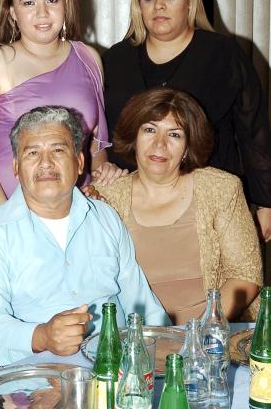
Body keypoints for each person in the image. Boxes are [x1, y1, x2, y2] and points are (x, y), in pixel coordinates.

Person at [0, 106, 169, 367]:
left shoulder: (105, 218)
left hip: (117, 373)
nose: (45, 163)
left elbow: (141, 302)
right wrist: (41, 336)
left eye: (58, 150)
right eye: (32, 153)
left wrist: (169, 356)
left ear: (80, 162)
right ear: (16, 167)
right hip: (35, 385)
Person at [103, 0, 271, 242]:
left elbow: (254, 131)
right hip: (134, 212)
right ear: (138, 6)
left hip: (211, 208)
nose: (159, 6)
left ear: (190, 0)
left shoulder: (223, 53)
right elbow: (101, 133)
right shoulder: (115, 60)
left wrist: (266, 201)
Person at [93, 88, 262, 325]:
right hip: (137, 340)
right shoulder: (107, 197)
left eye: (174, 135)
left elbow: (245, 275)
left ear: (188, 145)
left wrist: (199, 334)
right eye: (150, 130)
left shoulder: (221, 189)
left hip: (212, 336)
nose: (159, 144)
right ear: (134, 137)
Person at [0, 0, 121, 213]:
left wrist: (102, 176)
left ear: (66, 3)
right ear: (12, 12)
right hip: (10, 212)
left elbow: (95, 145)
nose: (42, 13)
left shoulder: (89, 58)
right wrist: (6, 214)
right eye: (28, 3)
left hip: (76, 210)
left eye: (52, 0)